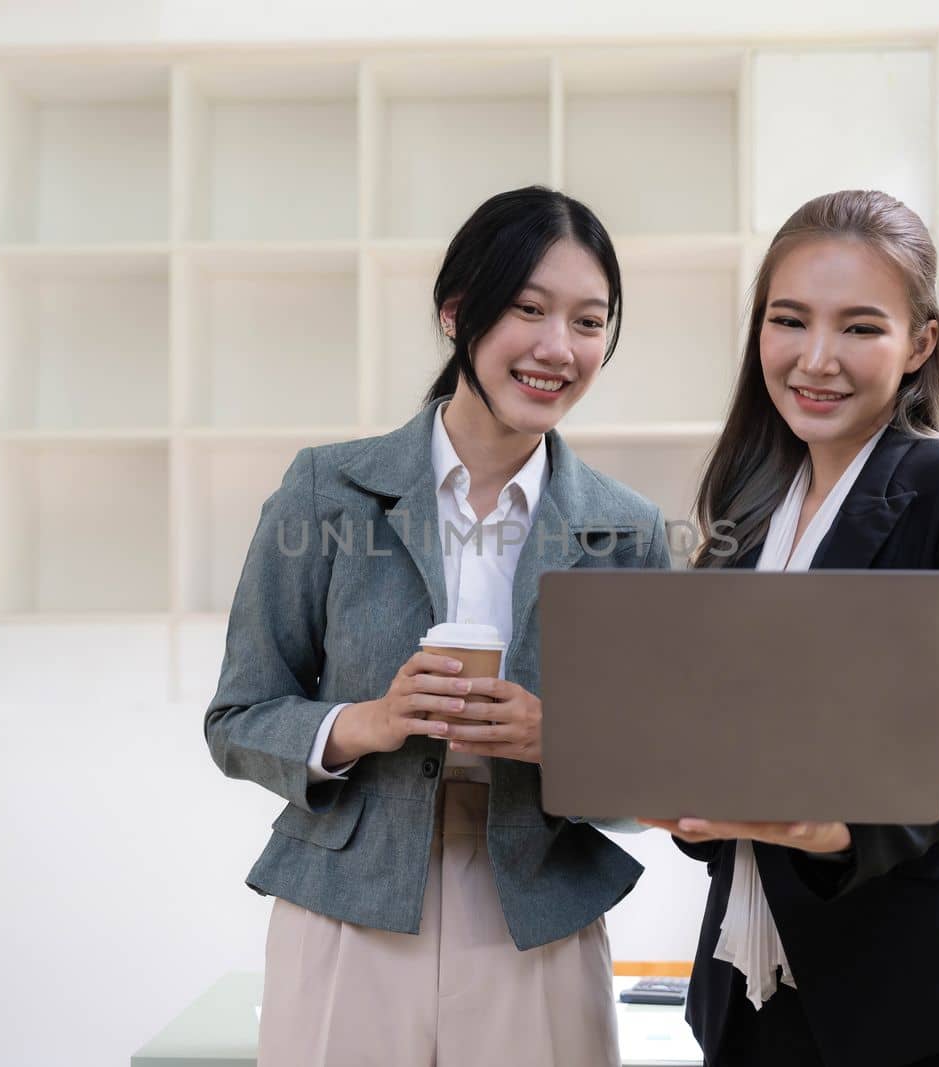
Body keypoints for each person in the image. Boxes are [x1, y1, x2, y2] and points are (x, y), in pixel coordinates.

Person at [205, 186, 671, 1067]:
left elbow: (659, 772)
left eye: (588, 321)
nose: (556, 348)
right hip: (348, 907)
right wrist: (364, 722)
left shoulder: (628, 528)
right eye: (528, 309)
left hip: (536, 917)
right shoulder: (326, 491)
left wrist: (556, 741)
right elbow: (237, 718)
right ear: (458, 312)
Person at [641, 189, 939, 1067]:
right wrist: (673, 784)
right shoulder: (748, 509)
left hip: (909, 985)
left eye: (860, 328)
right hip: (750, 981)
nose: (816, 359)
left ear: (920, 345)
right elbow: (725, 738)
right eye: (790, 321)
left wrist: (835, 827)